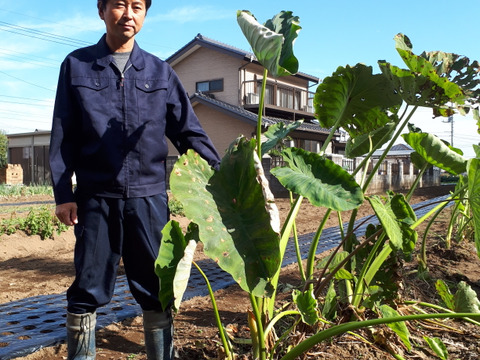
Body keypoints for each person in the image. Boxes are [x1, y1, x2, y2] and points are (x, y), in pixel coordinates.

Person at [49, 0, 220, 359]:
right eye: (119, 5)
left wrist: (222, 176)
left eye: (138, 6)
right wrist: (64, 192)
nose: (128, 14)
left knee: (157, 287)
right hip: (96, 198)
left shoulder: (160, 73)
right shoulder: (76, 66)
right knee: (87, 288)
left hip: (148, 198)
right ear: (101, 10)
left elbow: (189, 132)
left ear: (145, 14)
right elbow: (64, 134)